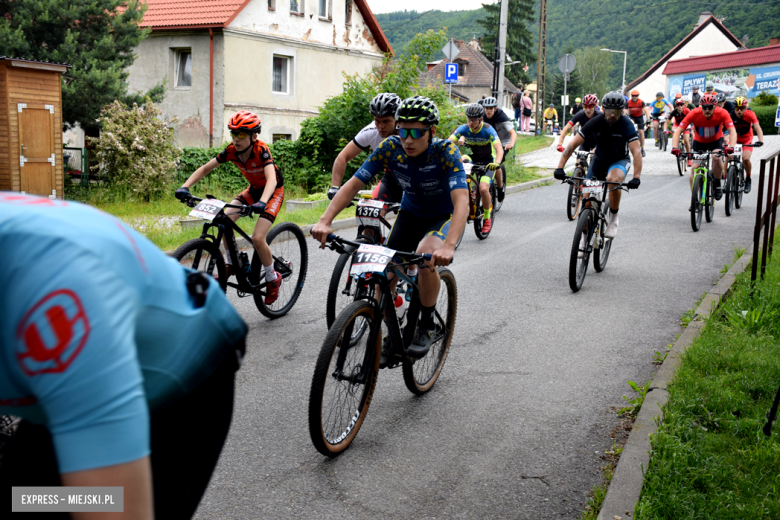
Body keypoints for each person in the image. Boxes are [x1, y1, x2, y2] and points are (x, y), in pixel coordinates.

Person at [0, 192, 248, 520]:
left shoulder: (54, 305)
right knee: (22, 500)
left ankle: (270, 272)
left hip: (181, 375)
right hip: (67, 372)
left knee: (59, 503)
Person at [312, 96, 468, 366]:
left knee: (424, 255)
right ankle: (391, 337)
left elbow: (462, 200)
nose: (408, 139)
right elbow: (353, 183)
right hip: (409, 214)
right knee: (381, 274)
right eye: (403, 130)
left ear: (431, 131)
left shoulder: (445, 152)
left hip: (442, 216)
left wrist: (449, 245)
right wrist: (325, 220)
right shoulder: (390, 148)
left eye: (416, 132)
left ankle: (427, 324)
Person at [176, 111, 284, 304]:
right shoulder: (231, 151)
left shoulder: (261, 150)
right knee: (225, 220)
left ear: (254, 136)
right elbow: (205, 168)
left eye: (241, 134)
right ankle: (231, 263)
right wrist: (185, 186)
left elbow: (271, 179)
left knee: (258, 238)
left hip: (272, 192)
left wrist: (262, 202)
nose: (236, 138)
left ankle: (272, 277)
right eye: (233, 133)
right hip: (253, 190)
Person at [554, 91, 642, 242]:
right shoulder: (596, 121)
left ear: (621, 111)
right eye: (608, 111)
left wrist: (636, 177)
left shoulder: (626, 124)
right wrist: (560, 167)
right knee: (586, 203)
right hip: (599, 160)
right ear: (603, 110)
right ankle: (583, 238)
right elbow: (573, 144)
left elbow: (636, 151)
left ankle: (614, 217)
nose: (612, 115)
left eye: (616, 112)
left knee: (612, 179)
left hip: (619, 160)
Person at [328, 92, 403, 204]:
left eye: (386, 121)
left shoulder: (408, 133)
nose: (381, 126)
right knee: (370, 211)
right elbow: (343, 156)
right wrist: (335, 187)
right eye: (377, 121)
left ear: (397, 119)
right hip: (391, 178)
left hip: (415, 179)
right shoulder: (371, 131)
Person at [449, 103, 503, 233]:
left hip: (488, 161)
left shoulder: (488, 129)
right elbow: (448, 143)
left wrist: (497, 162)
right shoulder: (464, 128)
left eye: (473, 120)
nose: (470, 122)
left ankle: (487, 218)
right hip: (472, 157)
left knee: (484, 189)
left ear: (481, 119)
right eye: (468, 119)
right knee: (461, 160)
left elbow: (499, 149)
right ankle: (468, 193)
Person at [671, 93, 736, 201]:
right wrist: (674, 147)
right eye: (704, 107)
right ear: (700, 106)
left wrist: (731, 146)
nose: (707, 110)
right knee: (694, 168)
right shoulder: (694, 113)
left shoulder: (722, 112)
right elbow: (678, 131)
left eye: (710, 108)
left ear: (714, 106)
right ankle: (695, 199)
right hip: (700, 142)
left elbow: (732, 131)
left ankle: (717, 183)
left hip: (716, 141)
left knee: (716, 157)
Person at [482, 96, 517, 203]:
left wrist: (511, 144)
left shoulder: (501, 116)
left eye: (491, 108)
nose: (488, 111)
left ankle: (500, 187)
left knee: (496, 164)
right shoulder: (483, 117)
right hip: (490, 142)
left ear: (495, 108)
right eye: (486, 108)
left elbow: (513, 133)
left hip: (503, 142)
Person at [729, 96, 764, 193]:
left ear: (746, 108)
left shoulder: (750, 115)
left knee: (745, 158)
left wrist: (760, 140)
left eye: (742, 108)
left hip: (747, 138)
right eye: (737, 108)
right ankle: (728, 177)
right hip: (735, 138)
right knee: (729, 155)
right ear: (734, 108)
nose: (739, 111)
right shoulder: (730, 115)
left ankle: (748, 178)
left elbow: (757, 128)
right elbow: (722, 128)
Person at [626, 90, 651, 156]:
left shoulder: (641, 102)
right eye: (633, 96)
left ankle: (642, 148)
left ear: (638, 96)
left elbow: (646, 110)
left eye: (636, 96)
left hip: (639, 118)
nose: (634, 97)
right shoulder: (628, 103)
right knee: (631, 126)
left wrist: (648, 119)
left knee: (641, 133)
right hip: (632, 117)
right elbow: (625, 111)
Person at [668, 98, 692, 165]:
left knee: (686, 140)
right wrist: (665, 129)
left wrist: (693, 126)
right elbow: (667, 122)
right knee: (675, 134)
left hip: (686, 125)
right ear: (676, 106)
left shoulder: (687, 110)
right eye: (678, 105)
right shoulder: (674, 112)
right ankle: (676, 147)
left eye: (681, 105)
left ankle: (689, 158)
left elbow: (692, 118)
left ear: (683, 105)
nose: (679, 106)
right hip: (678, 125)